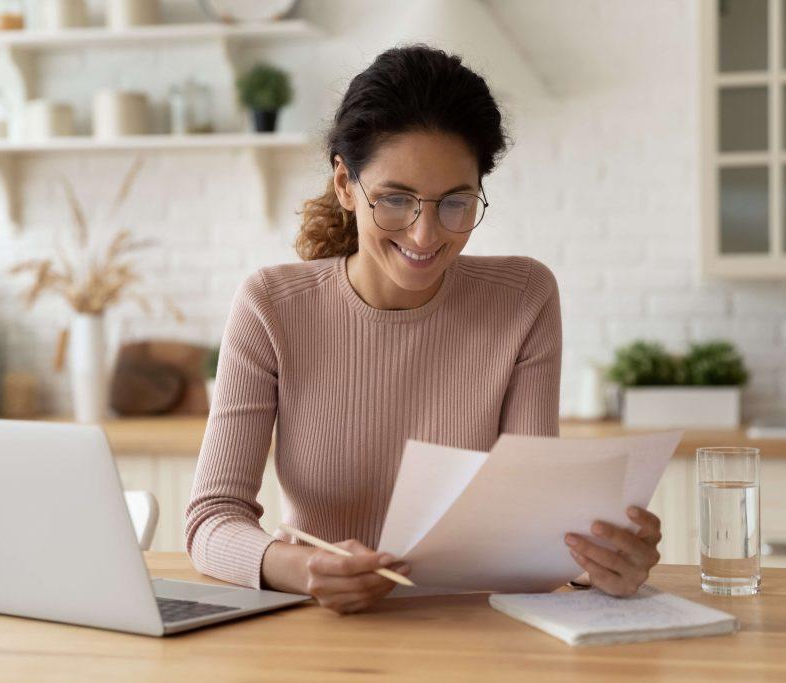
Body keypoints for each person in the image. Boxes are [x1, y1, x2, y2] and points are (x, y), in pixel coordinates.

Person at [184, 44, 662, 614]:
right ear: (344, 184)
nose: (425, 235)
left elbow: (530, 524)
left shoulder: (523, 298)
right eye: (395, 200)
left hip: (477, 631)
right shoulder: (272, 306)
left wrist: (597, 566)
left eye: (455, 202)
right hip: (323, 631)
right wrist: (301, 570)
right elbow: (211, 520)